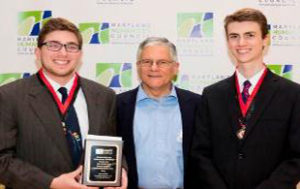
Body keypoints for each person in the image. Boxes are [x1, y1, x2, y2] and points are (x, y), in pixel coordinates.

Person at [0, 17, 127, 189]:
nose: (63, 53)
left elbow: (111, 147)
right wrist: (51, 183)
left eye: (71, 46)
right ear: (37, 52)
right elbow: (2, 160)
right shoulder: (9, 96)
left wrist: (121, 170)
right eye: (53, 45)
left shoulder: (104, 96)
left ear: (80, 54)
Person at [186, 8, 300, 189]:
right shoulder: (212, 94)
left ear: (265, 39)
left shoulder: (292, 94)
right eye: (234, 36)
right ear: (228, 41)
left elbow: (296, 157)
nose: (241, 43)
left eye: (249, 35)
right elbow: (200, 154)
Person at [117, 37, 201, 189]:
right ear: (138, 66)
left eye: (162, 62)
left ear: (175, 67)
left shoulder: (197, 105)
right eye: (146, 62)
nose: (153, 68)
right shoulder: (117, 106)